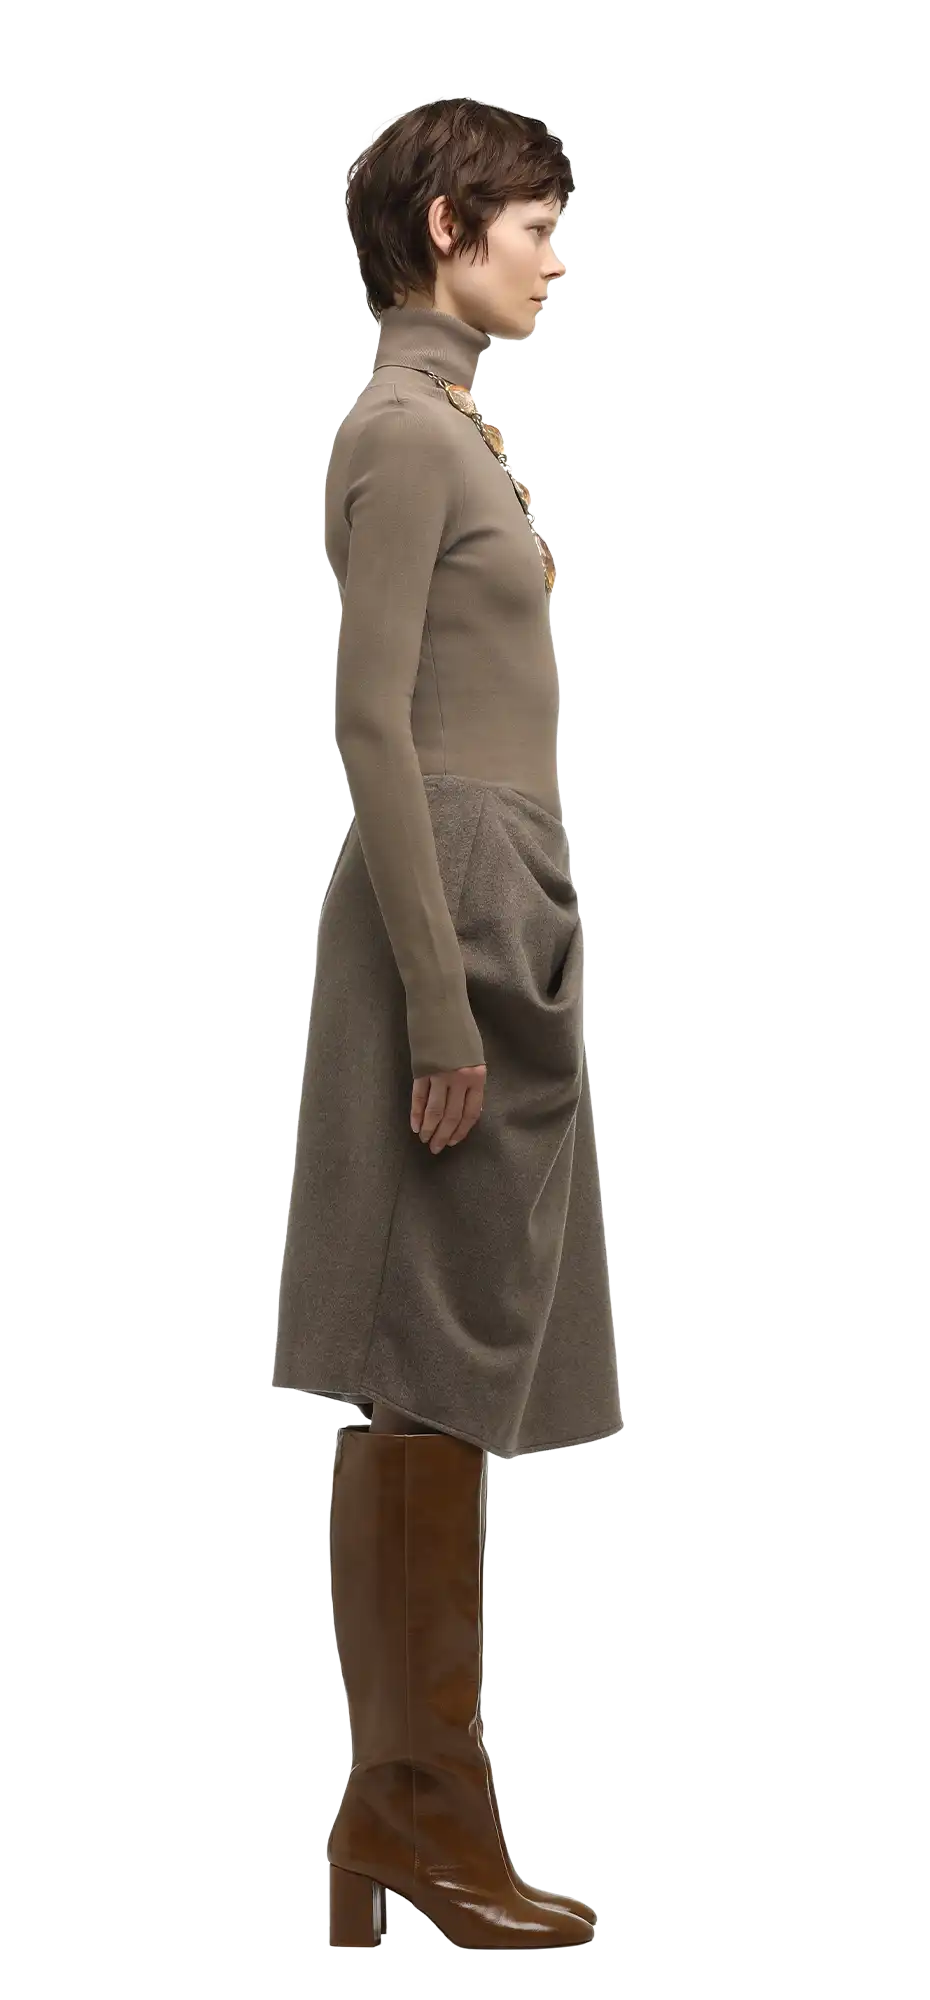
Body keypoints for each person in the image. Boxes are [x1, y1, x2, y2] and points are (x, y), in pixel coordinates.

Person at [271, 96, 624, 1949]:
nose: (555, 259)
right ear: (445, 227)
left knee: (449, 1362)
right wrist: (435, 998)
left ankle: (401, 1811)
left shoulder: (447, 423)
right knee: (421, 1356)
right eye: (534, 226)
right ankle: (417, 1810)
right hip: (448, 903)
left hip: (498, 887)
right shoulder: (401, 433)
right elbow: (370, 723)